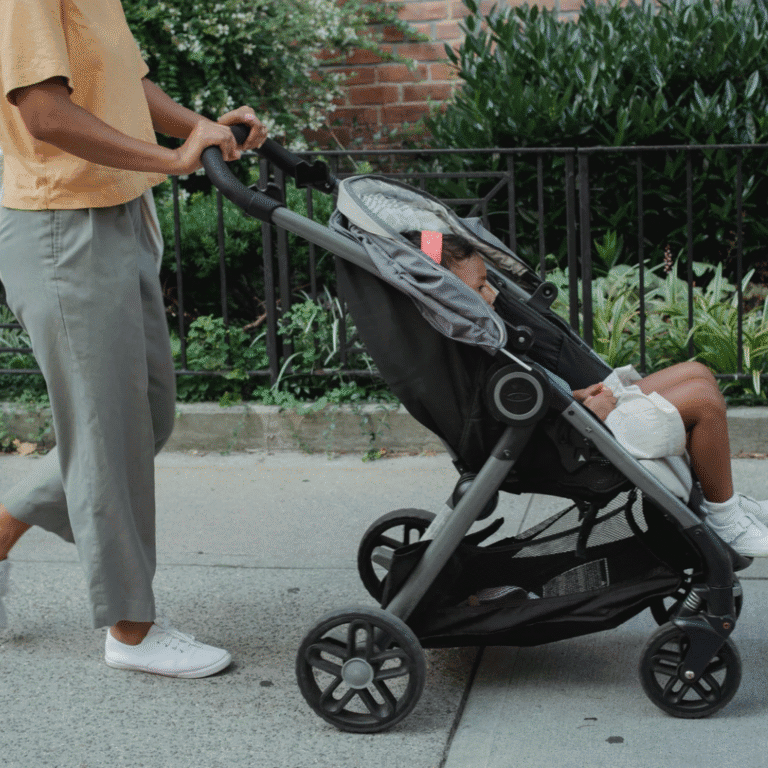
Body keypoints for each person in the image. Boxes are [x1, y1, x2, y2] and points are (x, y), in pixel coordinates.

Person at [0, 0, 269, 677]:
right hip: (65, 226)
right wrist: (173, 160)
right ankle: (131, 628)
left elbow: (124, 85)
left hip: (117, 214)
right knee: (106, 431)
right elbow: (44, 112)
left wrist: (197, 128)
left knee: (143, 413)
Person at [401, 229, 768, 557]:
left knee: (699, 373)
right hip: (580, 437)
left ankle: (717, 499)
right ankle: (725, 519)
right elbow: (513, 406)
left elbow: (426, 249)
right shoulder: (469, 337)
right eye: (480, 287)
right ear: (447, 295)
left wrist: (574, 396)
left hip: (579, 410)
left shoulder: (470, 328)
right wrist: (590, 411)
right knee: (702, 403)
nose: (492, 293)